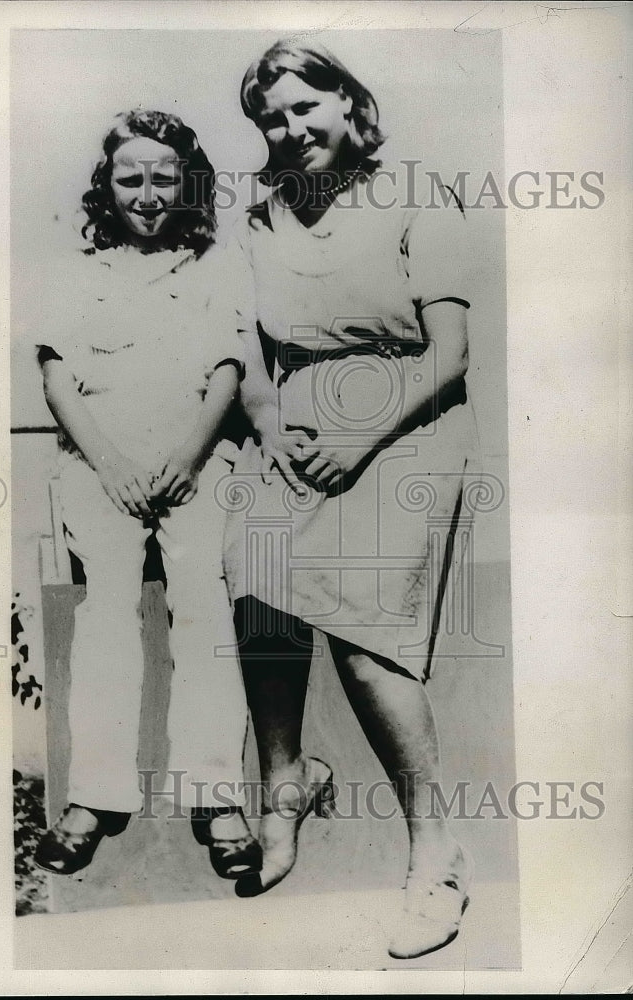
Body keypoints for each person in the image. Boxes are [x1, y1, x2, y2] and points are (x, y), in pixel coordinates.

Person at [223, 40, 479, 958]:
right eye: (272, 120)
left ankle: (435, 858)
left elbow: (449, 355)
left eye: (303, 109)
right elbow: (249, 344)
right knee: (258, 593)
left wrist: (359, 437)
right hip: (294, 421)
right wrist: (271, 426)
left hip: (404, 421)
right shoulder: (256, 214)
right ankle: (285, 782)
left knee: (370, 649)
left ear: (348, 102)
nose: (290, 132)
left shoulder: (415, 192)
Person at [33, 109, 260, 882]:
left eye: (165, 178)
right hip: (104, 468)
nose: (149, 193)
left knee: (204, 608)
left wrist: (189, 459)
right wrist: (110, 464)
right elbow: (59, 378)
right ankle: (95, 796)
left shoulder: (217, 265)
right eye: (131, 178)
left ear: (187, 184)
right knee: (107, 615)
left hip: (194, 461)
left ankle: (217, 794)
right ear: (108, 186)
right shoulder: (75, 268)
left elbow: (229, 371)